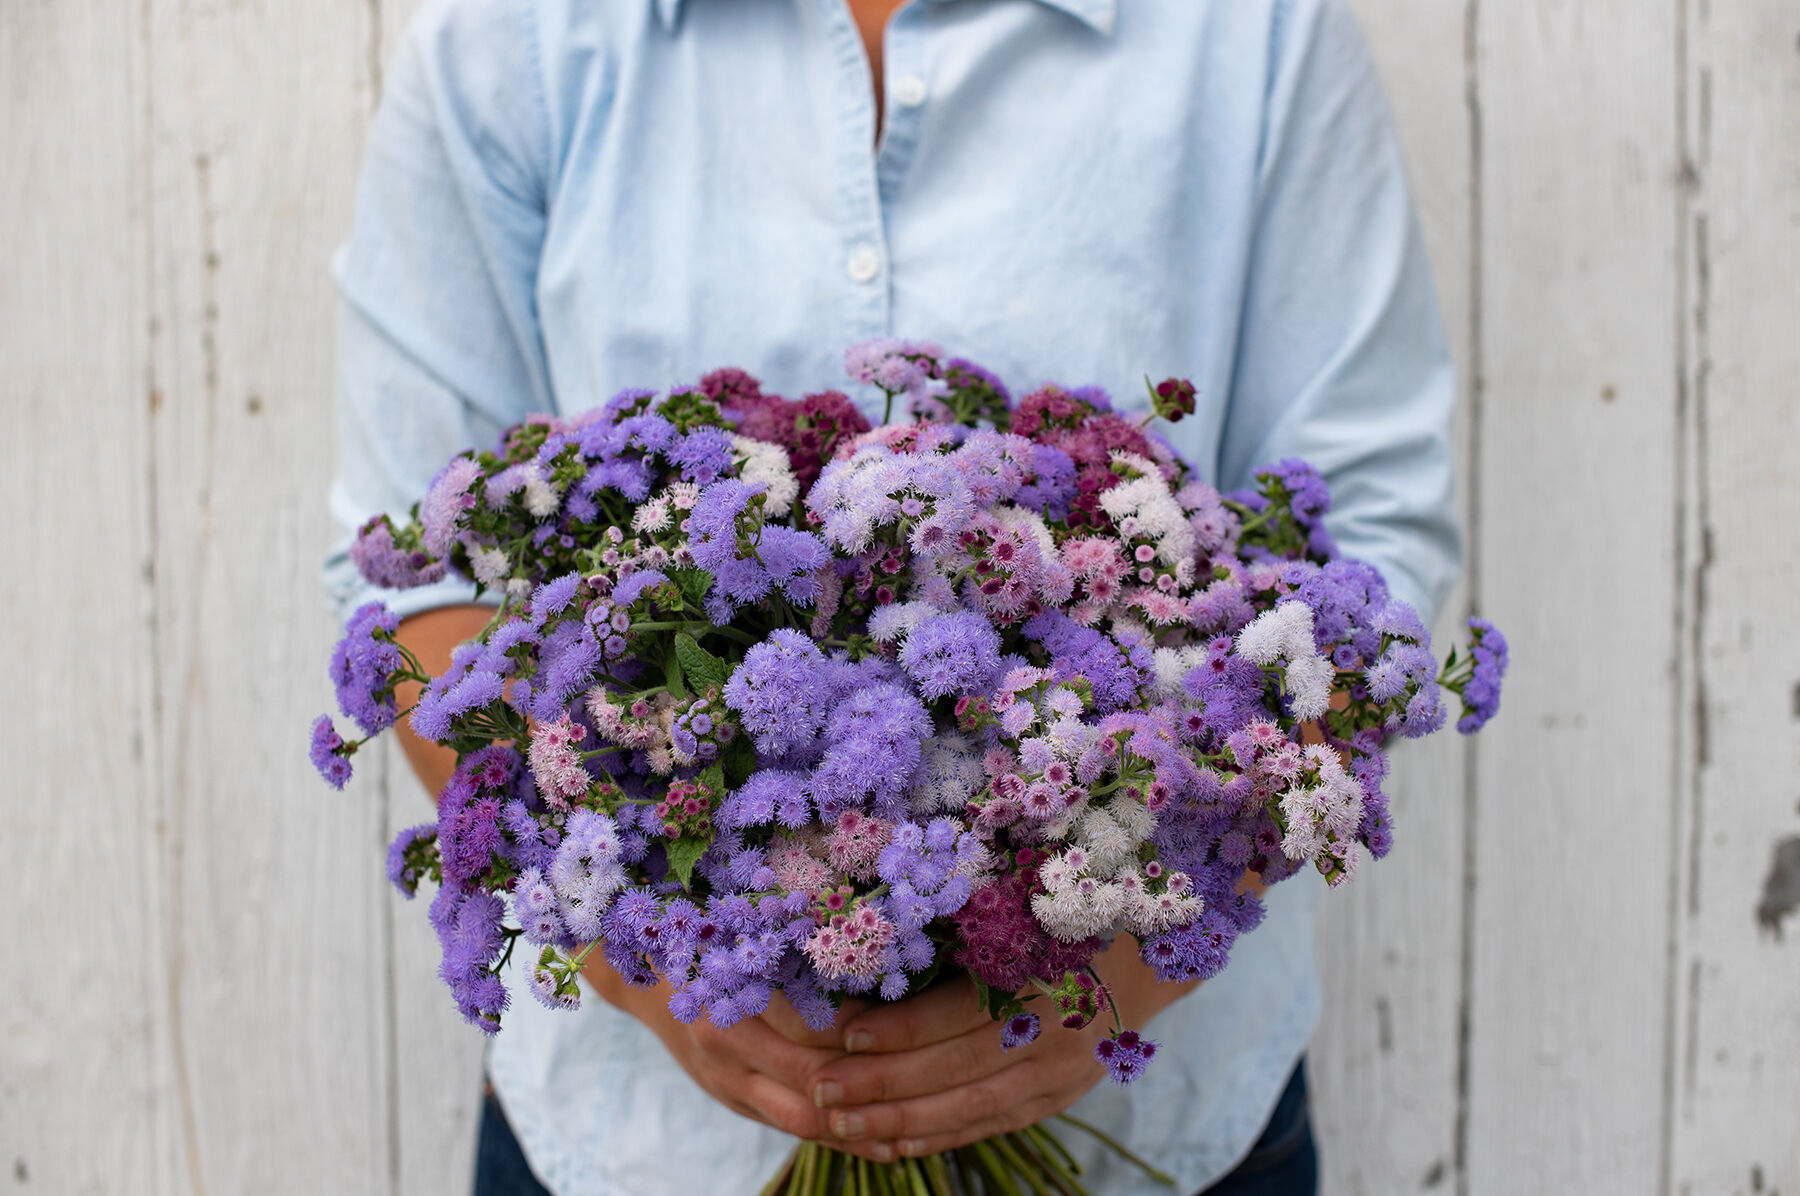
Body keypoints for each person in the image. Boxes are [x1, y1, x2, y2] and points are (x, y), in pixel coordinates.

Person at [323, 0, 1461, 1192]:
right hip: (638, 1141)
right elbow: (409, 569)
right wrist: (657, 965)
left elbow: (1371, 532)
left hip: (1167, 1120)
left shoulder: (1257, 33)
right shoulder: (509, 43)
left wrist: (1133, 960)